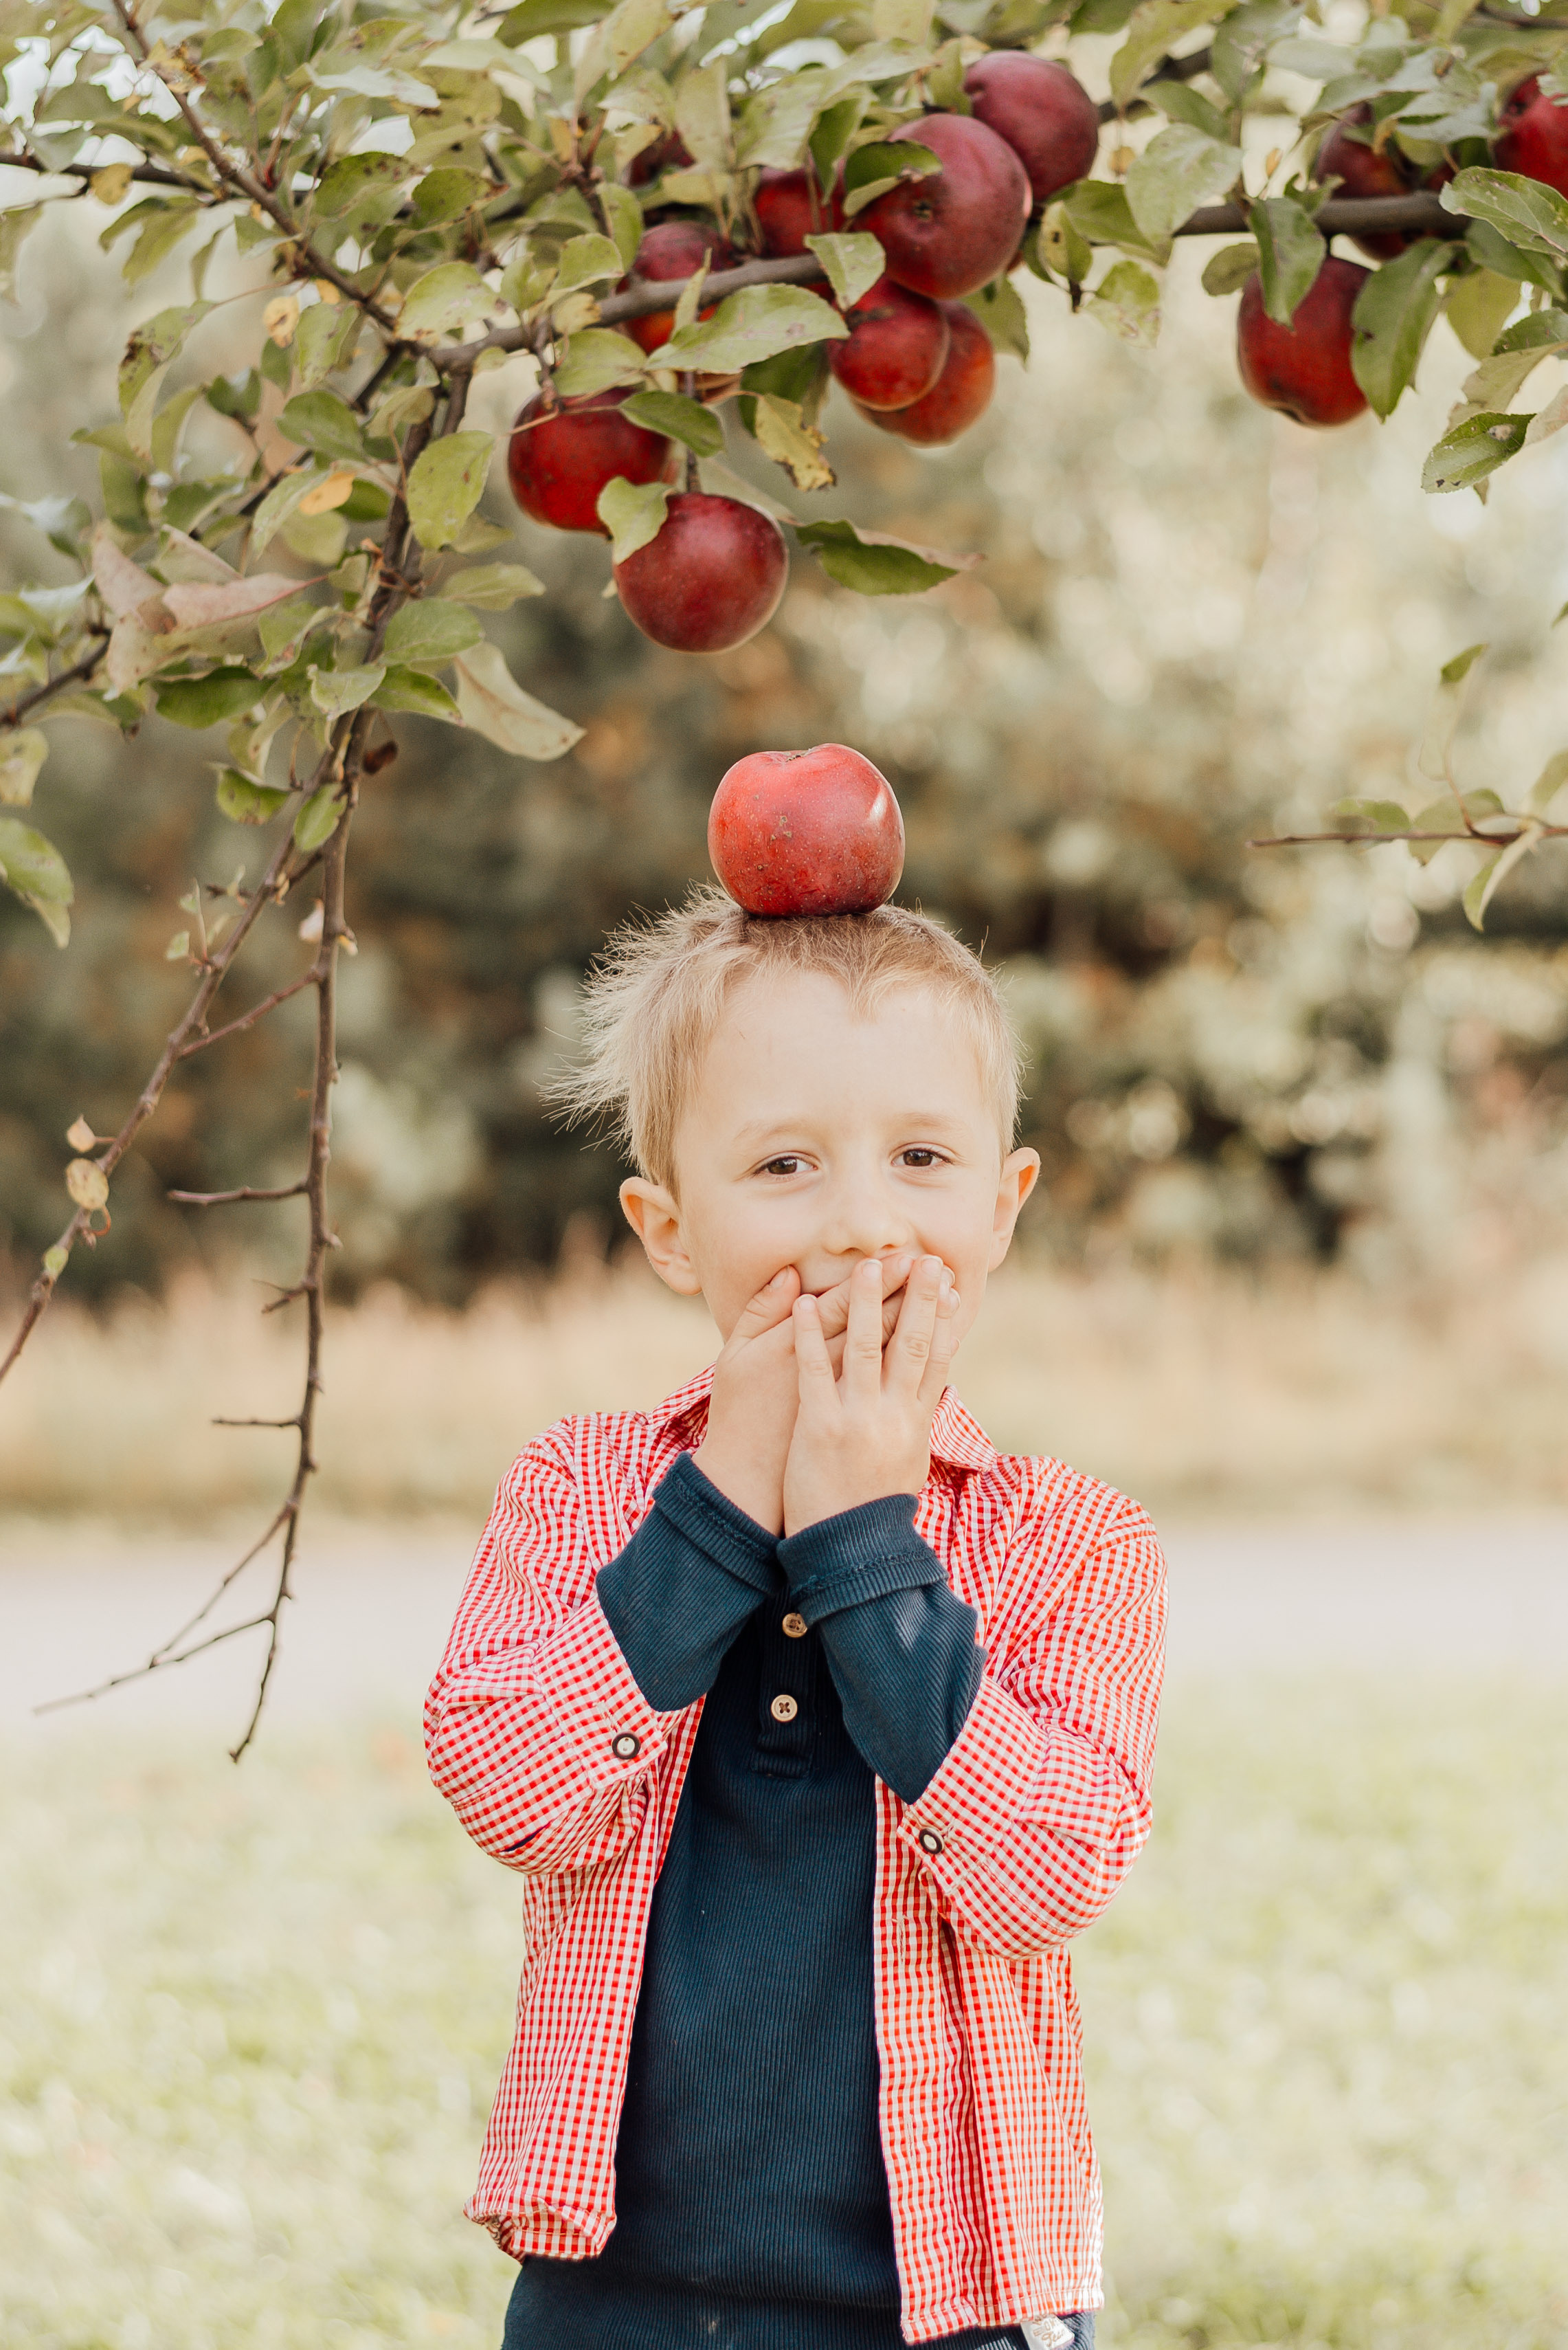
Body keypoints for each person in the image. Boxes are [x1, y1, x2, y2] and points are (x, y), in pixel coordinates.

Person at [425, 890, 1166, 2350]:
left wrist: (865, 1544)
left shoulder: (1071, 1538)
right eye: (782, 1164)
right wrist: (720, 1507)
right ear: (666, 1228)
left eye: (921, 1159)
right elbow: (511, 1789)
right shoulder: (583, 1487)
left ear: (1002, 1205)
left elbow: (1049, 1882)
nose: (860, 1224)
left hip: (957, 2301)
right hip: (618, 2295)